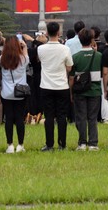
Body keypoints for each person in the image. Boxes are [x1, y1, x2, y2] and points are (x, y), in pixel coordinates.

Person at [35, 21, 74, 151]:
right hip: (62, 86)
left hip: (46, 86)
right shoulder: (65, 49)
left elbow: (40, 61)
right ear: (59, 33)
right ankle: (62, 144)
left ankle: (49, 144)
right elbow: (69, 68)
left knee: (49, 116)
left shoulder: (40, 49)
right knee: (62, 116)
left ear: (46, 33)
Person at [71, 29, 102, 151]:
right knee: (92, 117)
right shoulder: (99, 56)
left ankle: (82, 143)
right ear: (92, 40)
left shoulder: (75, 57)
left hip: (80, 91)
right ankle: (93, 143)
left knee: (81, 117)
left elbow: (72, 78)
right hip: (94, 90)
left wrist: (71, 92)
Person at [0, 35, 30, 153]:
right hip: (20, 92)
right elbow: (26, 52)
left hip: (6, 92)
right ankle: (20, 145)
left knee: (8, 119)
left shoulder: (2, 58)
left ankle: (10, 145)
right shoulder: (23, 59)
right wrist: (24, 45)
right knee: (19, 118)